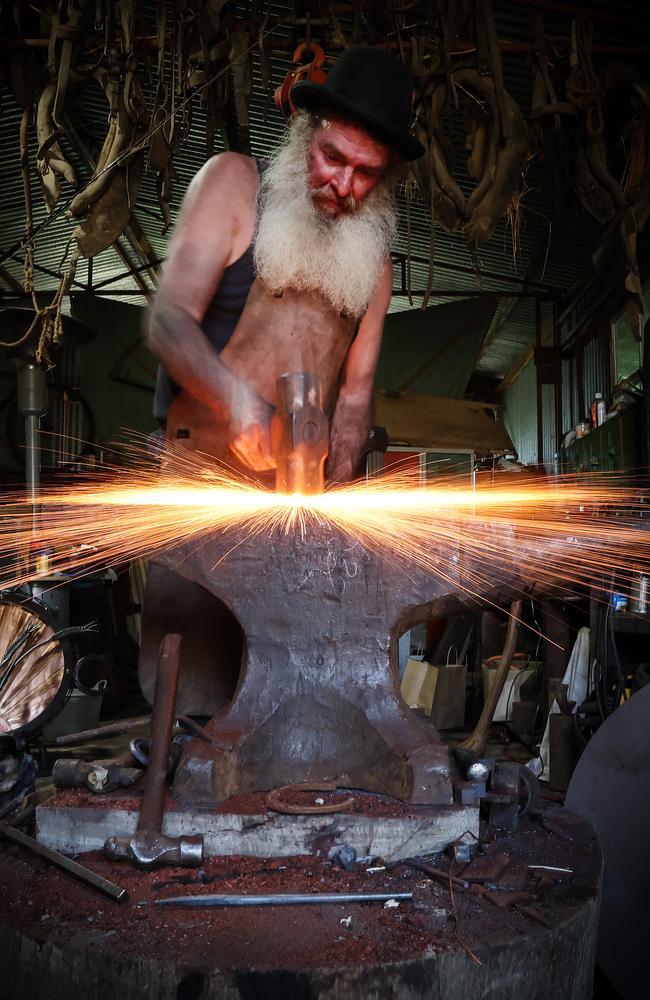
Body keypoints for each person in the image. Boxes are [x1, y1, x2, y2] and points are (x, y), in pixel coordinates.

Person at [148, 45, 424, 483]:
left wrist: (345, 462)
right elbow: (167, 321)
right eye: (331, 157)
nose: (343, 184)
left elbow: (354, 396)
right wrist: (236, 401)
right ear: (303, 134)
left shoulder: (375, 263)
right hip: (199, 480)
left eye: (366, 171)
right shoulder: (232, 186)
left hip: (299, 489)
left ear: (385, 176)